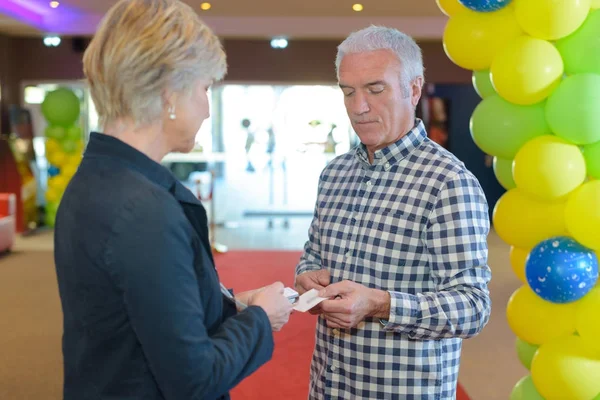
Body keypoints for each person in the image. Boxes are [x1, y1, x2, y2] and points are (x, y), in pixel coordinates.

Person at [53, 1, 293, 399]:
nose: (205, 108)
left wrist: (229, 304)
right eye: (204, 88)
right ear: (169, 94)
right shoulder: (143, 210)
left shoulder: (95, 176)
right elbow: (195, 379)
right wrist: (260, 319)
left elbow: (138, 309)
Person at [295, 25, 492, 399]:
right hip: (329, 385)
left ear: (413, 89)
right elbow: (313, 255)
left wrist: (381, 304)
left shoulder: (448, 182)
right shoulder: (334, 173)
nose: (359, 107)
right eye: (348, 91)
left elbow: (473, 306)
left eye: (375, 88)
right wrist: (307, 276)